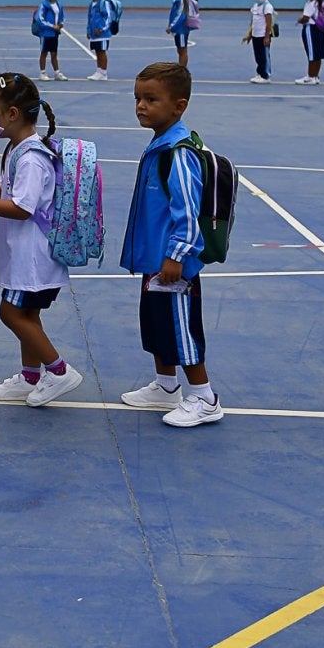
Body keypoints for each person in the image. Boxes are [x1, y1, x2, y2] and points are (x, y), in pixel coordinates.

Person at [0, 74, 85, 407]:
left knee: (11, 314)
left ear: (12, 114)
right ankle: (30, 376)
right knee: (28, 315)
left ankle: (59, 370)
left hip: (33, 256)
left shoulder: (32, 157)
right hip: (24, 253)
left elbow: (21, 207)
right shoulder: (18, 149)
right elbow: (4, 185)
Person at [119, 62, 222, 427]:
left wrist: (176, 254)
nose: (141, 106)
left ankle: (205, 397)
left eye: (151, 99)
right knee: (157, 324)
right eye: (137, 98)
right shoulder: (160, 144)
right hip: (155, 260)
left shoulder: (177, 153)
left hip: (172, 263)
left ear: (179, 106)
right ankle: (166, 386)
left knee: (181, 329)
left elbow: (187, 211)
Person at [296, 0, 324, 85]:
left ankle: (310, 76)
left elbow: (306, 17)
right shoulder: (322, 1)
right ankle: (315, 76)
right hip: (319, 30)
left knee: (312, 53)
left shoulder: (311, 3)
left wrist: (300, 20)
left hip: (310, 29)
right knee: (318, 53)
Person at [85, 0, 120, 81]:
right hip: (94, 34)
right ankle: (99, 70)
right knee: (97, 51)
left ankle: (103, 72)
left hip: (102, 34)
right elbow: (89, 18)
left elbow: (108, 17)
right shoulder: (92, 4)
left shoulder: (104, 3)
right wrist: (88, 30)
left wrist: (101, 29)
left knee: (102, 52)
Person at [33, 0, 68, 81]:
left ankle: (57, 72)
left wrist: (61, 24)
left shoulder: (59, 5)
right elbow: (39, 19)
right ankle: (42, 72)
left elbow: (62, 17)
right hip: (45, 33)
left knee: (54, 53)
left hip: (55, 34)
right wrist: (51, 26)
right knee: (44, 52)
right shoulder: (43, 5)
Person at [244, 0, 275, 83]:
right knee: (258, 55)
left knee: (264, 55)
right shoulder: (255, 6)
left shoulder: (267, 6)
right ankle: (260, 73)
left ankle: (265, 75)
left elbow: (268, 22)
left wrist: (267, 37)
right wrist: (249, 34)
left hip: (263, 35)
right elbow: (253, 20)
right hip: (255, 35)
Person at [167, 0, 193, 67]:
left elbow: (181, 17)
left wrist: (171, 27)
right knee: (180, 50)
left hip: (181, 30)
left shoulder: (182, 1)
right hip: (178, 30)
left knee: (182, 51)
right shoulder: (177, 0)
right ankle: (181, 68)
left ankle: (182, 69)